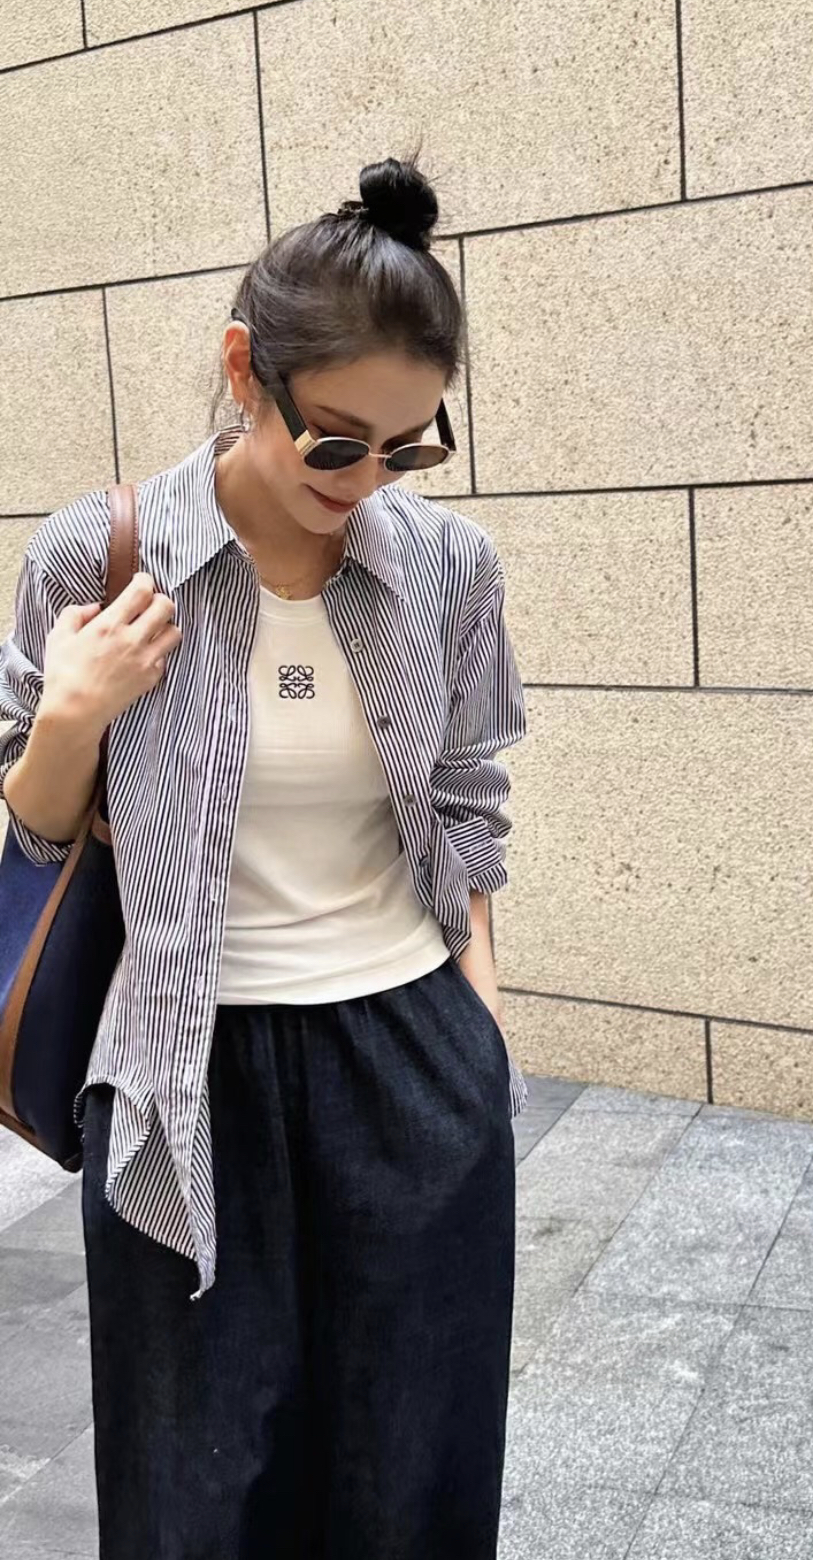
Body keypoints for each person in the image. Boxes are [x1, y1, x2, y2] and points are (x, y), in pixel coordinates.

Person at [0, 150, 530, 1559]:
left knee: (413, 1471)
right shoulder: (102, 557)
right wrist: (71, 715)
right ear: (246, 371)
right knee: (193, 1487)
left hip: (407, 1050)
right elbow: (33, 829)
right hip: (189, 1071)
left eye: (408, 447)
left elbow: (468, 797)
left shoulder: (449, 569)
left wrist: (475, 1016)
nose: (369, 481)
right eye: (337, 442)